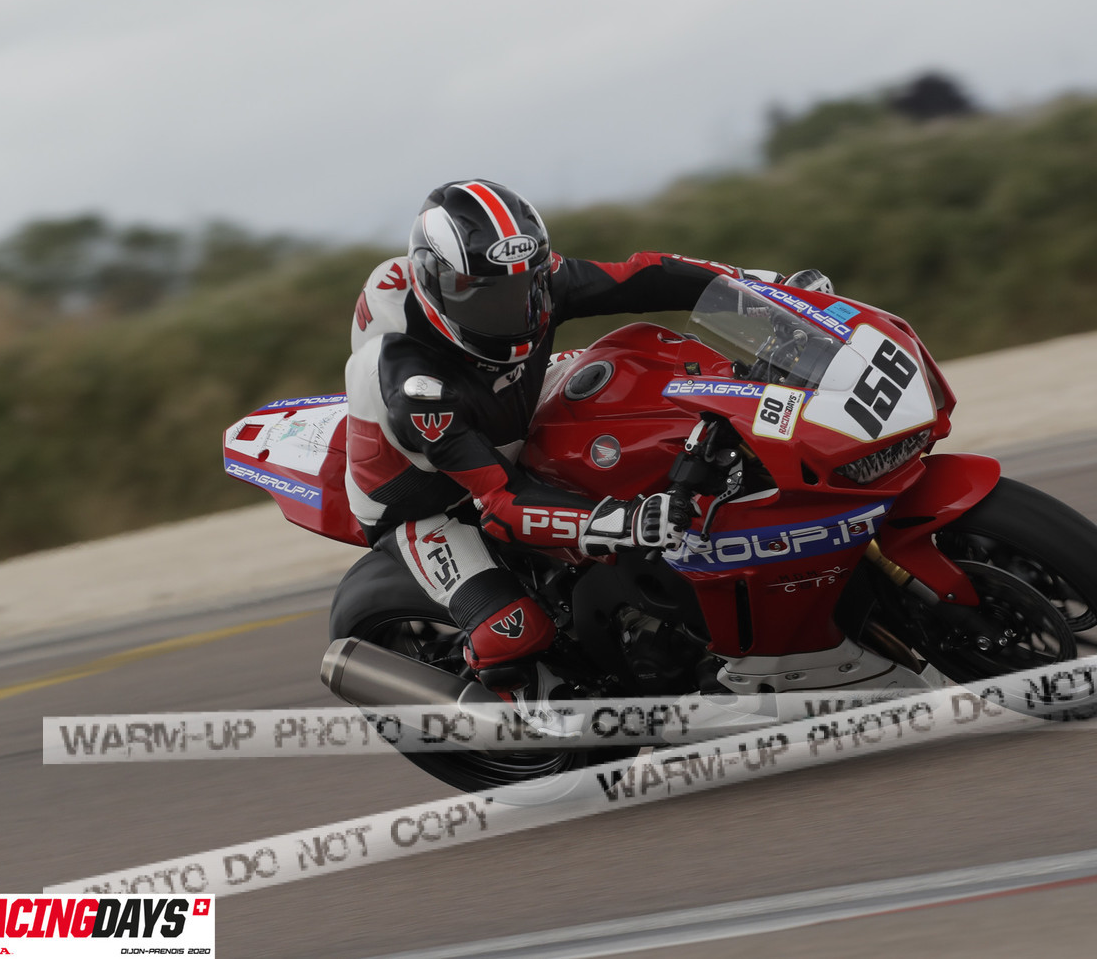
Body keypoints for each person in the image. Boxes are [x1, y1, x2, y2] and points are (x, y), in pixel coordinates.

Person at [344, 178, 826, 704]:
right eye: (487, 297)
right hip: (431, 498)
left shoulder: (536, 283)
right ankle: (520, 710)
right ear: (439, 288)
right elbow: (501, 501)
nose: (513, 309)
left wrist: (770, 293)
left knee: (651, 383)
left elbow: (646, 276)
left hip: (508, 414)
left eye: (523, 288)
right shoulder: (415, 386)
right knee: (513, 631)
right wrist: (624, 520)